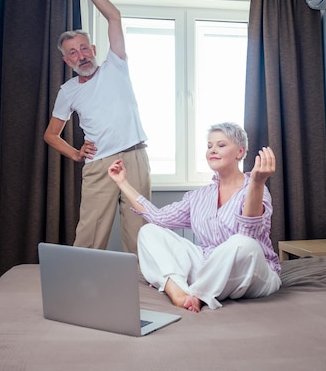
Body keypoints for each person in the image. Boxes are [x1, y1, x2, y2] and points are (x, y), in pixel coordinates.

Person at [107, 122, 282, 312]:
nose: (212, 150)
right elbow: (158, 218)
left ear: (240, 152)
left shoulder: (258, 189)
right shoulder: (198, 197)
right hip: (210, 266)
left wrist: (256, 182)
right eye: (209, 146)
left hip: (253, 273)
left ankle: (197, 293)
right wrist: (122, 183)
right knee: (149, 232)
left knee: (243, 243)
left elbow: (249, 235)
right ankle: (179, 292)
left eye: (221, 145)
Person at [44, 0, 150, 254]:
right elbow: (51, 135)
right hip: (99, 166)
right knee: (89, 236)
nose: (81, 55)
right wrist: (76, 153)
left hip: (135, 156)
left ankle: (144, 296)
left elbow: (113, 16)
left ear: (93, 49)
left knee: (141, 233)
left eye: (84, 48)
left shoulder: (115, 66)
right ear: (68, 61)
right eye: (73, 52)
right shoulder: (68, 92)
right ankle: (80, 292)